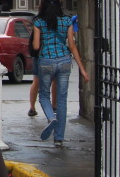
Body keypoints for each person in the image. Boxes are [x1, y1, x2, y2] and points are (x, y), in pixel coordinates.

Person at [30, 8, 89, 146]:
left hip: (46, 61)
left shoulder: (39, 21)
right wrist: (82, 69)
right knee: (62, 100)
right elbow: (72, 46)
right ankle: (59, 138)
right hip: (64, 62)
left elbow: (36, 46)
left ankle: (51, 118)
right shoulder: (67, 21)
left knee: (44, 95)